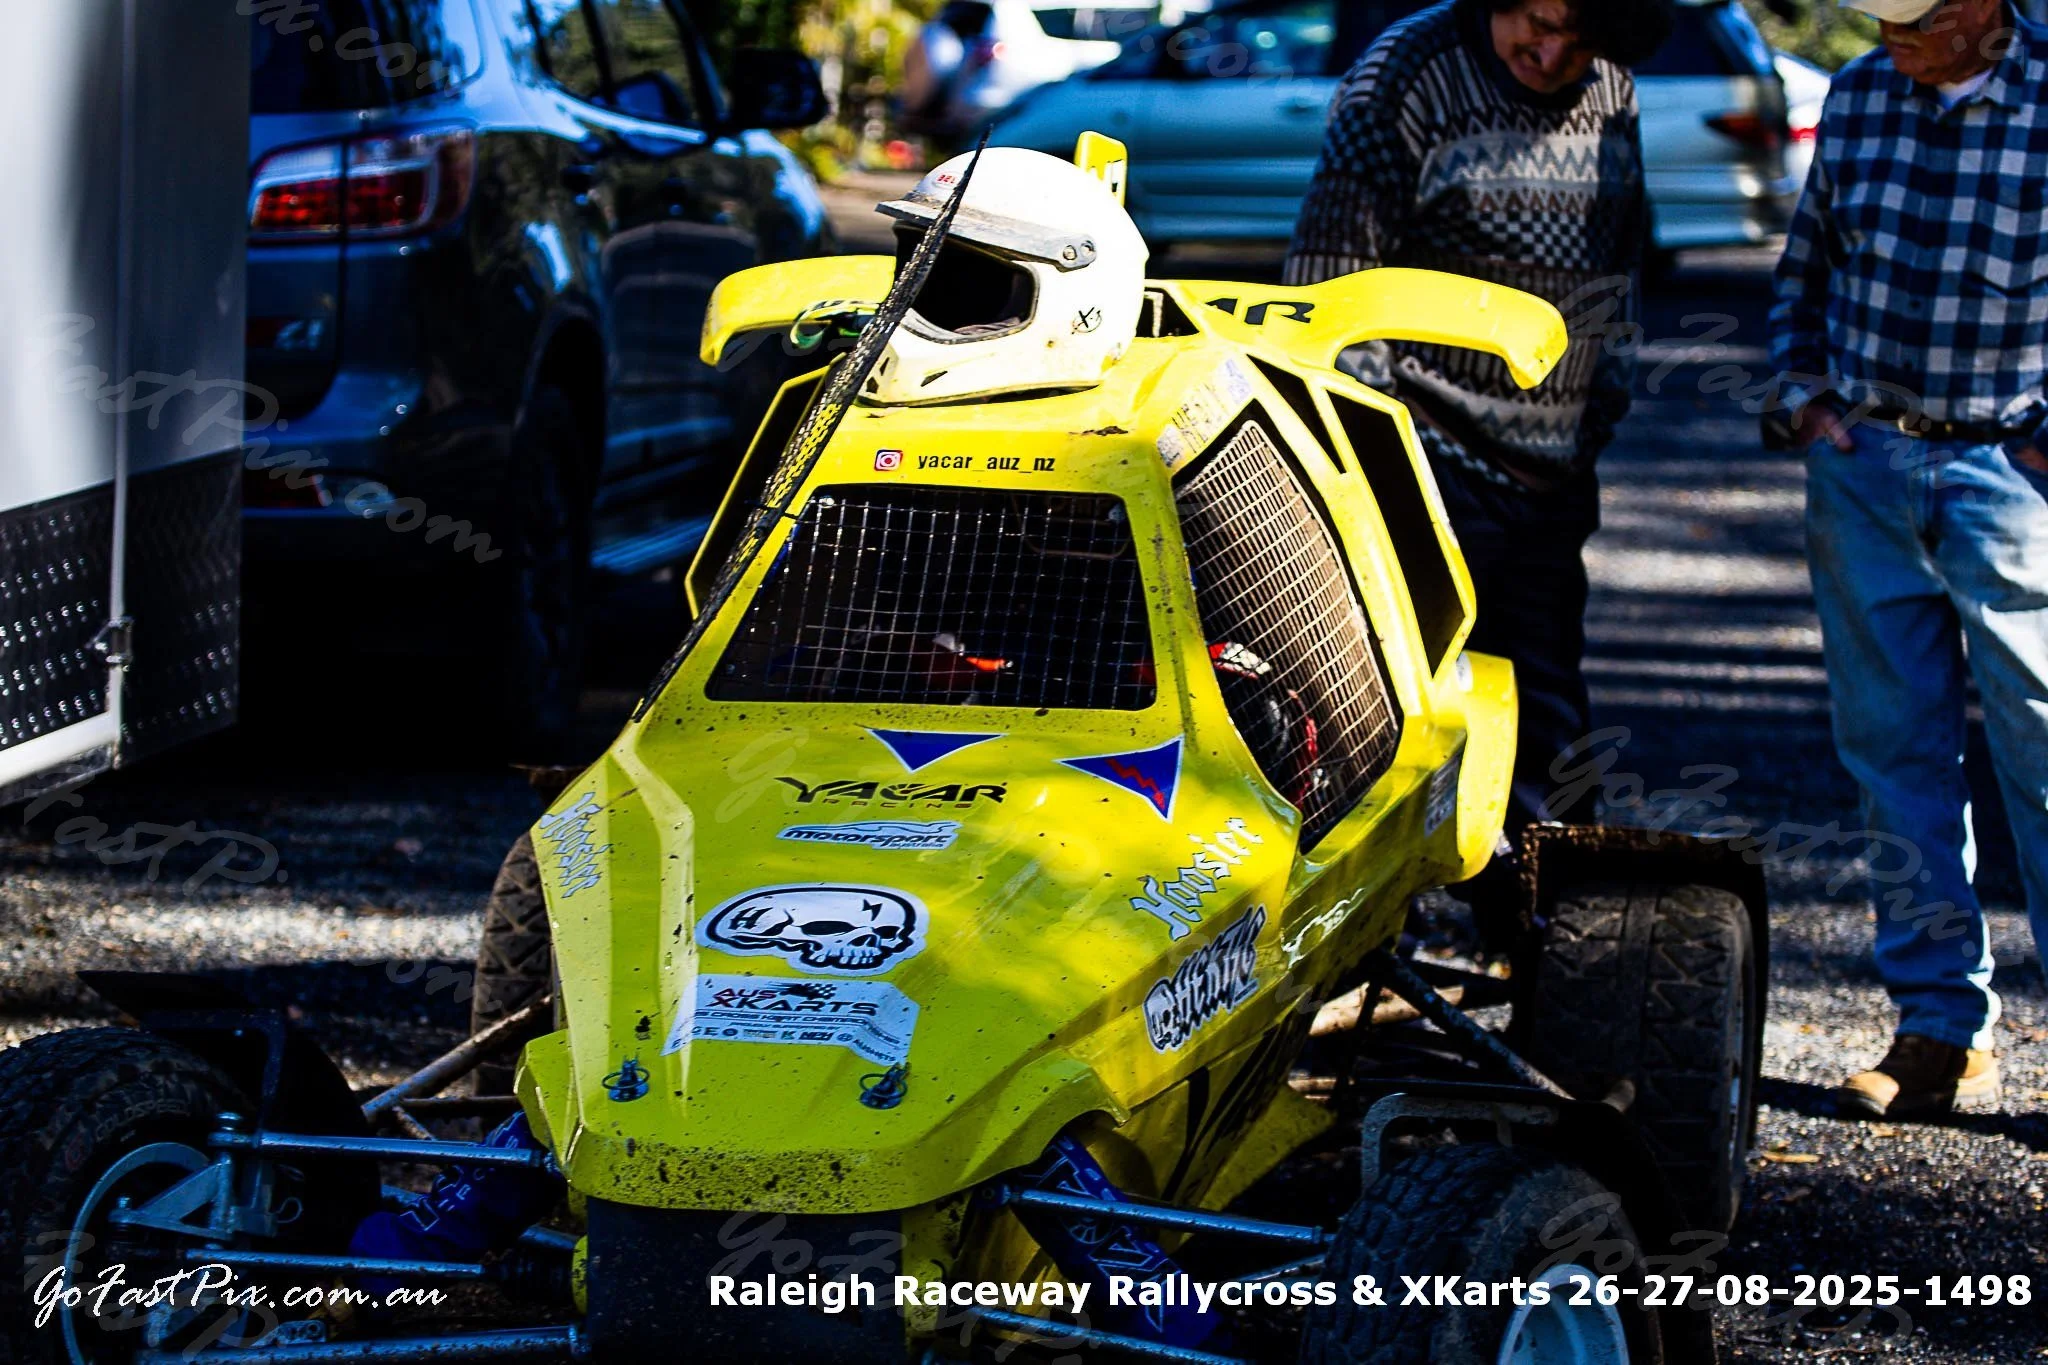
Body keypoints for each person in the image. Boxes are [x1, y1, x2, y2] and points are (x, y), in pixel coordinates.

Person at [1285, 0, 1671, 936]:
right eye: (1536, 24)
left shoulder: (1610, 88)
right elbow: (1327, 288)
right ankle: (1370, 948)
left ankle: (1544, 951)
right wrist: (1376, 473)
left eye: (1580, 39)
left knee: (1547, 717)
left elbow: (1622, 263)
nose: (1551, 54)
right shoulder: (1405, 75)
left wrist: (1600, 407)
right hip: (1424, 457)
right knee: (1390, 715)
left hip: (1550, 468)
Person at [1769, 0, 2048, 1119]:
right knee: (1892, 759)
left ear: (1981, 7)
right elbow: (1806, 262)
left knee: (2041, 758)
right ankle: (1937, 1030)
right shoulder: (1858, 95)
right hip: (1866, 465)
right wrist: (1805, 400)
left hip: (2011, 476)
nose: (1887, 38)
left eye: (1911, 20)